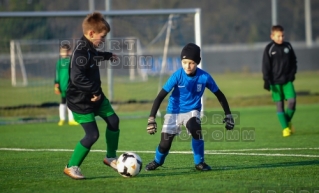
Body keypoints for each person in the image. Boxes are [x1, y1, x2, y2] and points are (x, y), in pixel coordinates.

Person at [145, 43, 235, 171]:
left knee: (195, 128)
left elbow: (220, 95)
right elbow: (159, 97)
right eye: (184, 62)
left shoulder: (204, 77)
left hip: (192, 111)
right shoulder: (177, 76)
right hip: (173, 112)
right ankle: (157, 161)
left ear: (197, 62)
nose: (187, 66)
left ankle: (199, 162)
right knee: (164, 145)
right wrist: (151, 118)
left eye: (191, 62)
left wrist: (228, 114)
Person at [63, 12, 119, 179]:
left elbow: (94, 57)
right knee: (92, 135)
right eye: (102, 37)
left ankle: (110, 157)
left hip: (96, 96)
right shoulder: (80, 52)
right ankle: (71, 166)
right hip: (81, 101)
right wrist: (94, 90)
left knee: (114, 121)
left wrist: (108, 56)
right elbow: (76, 78)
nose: (103, 39)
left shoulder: (89, 48)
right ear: (91, 33)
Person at [262, 25, 297, 137]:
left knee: (292, 102)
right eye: (278, 36)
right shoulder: (269, 48)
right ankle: (285, 129)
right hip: (275, 82)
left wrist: (292, 74)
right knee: (280, 105)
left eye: (282, 35)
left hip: (287, 81)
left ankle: (286, 121)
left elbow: (294, 61)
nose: (281, 38)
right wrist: (266, 80)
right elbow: (265, 66)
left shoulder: (288, 46)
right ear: (272, 36)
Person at [54, 44, 79, 126]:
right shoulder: (59, 62)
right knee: (63, 101)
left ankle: (71, 119)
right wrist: (56, 84)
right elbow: (57, 74)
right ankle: (62, 119)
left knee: (71, 102)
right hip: (62, 85)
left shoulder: (71, 61)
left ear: (69, 52)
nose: (64, 53)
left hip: (70, 85)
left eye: (66, 51)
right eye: (62, 52)